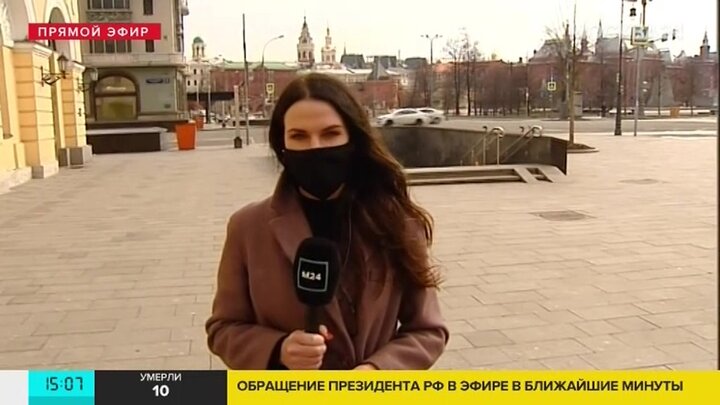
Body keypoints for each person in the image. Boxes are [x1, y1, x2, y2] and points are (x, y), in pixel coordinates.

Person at [205, 73, 448, 370]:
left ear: (353, 139)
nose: (315, 147)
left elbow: (428, 330)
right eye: (299, 136)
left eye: (331, 134)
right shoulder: (247, 228)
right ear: (282, 145)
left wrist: (378, 371)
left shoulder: (398, 222)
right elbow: (223, 328)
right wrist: (279, 349)